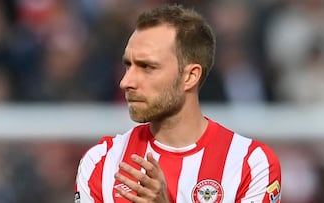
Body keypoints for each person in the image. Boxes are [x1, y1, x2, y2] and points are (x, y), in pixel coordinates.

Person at [75, 4, 281, 203]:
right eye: (128, 65)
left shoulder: (251, 164)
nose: (126, 82)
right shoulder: (102, 161)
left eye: (147, 67)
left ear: (190, 76)